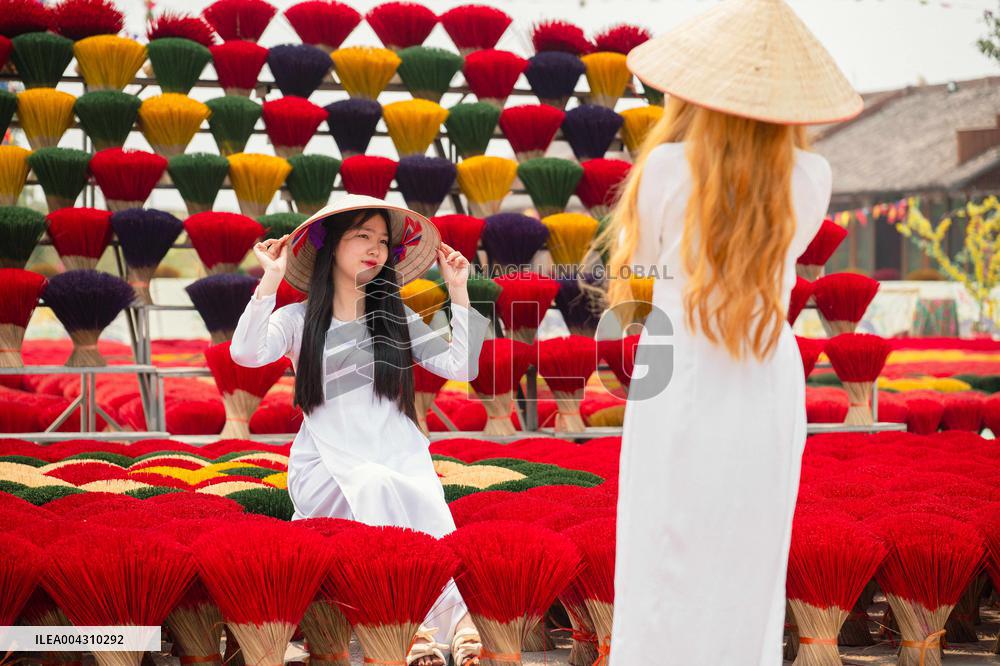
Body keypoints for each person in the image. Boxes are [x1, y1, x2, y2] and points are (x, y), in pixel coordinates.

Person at [595, 0, 864, 662]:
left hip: (680, 365)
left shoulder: (664, 169)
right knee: (750, 551)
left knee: (664, 543)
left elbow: (648, 269)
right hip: (764, 370)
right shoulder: (813, 175)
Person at [229, 194, 491, 666]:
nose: (375, 249)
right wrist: (269, 278)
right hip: (327, 465)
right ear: (332, 245)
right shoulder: (298, 319)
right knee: (376, 483)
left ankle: (450, 625)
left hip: (397, 452)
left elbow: (462, 365)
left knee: (414, 489)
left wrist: (458, 292)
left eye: (383, 241)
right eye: (362, 236)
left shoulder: (396, 318)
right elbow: (245, 354)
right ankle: (413, 623)